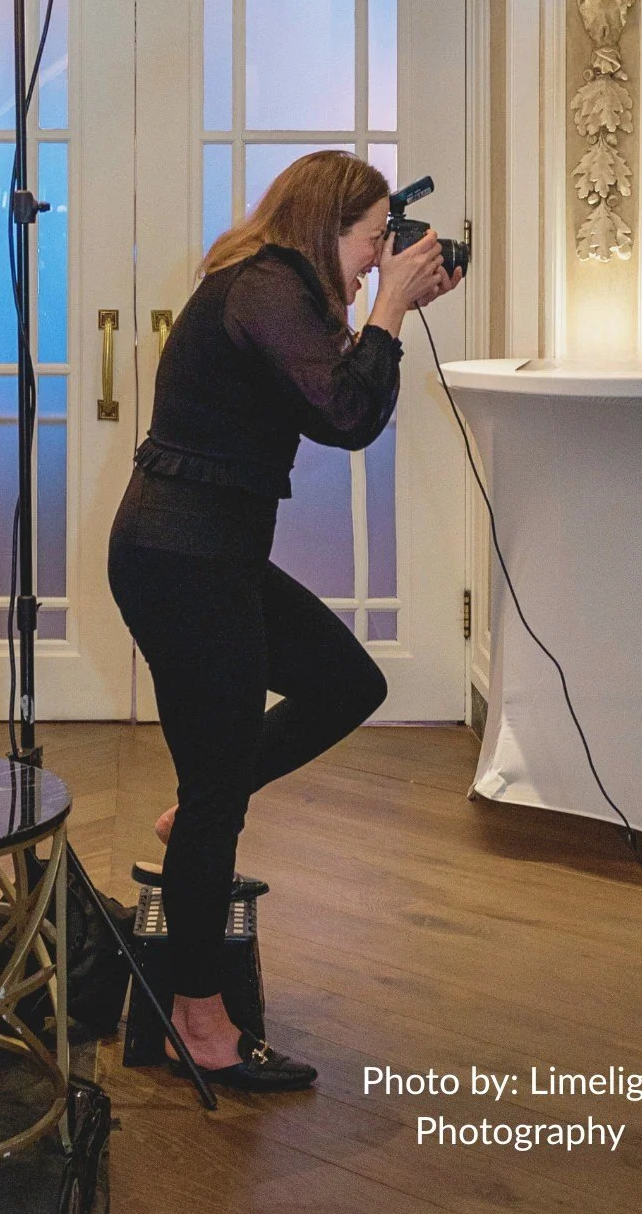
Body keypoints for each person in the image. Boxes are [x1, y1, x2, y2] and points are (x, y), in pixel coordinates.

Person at [107, 150, 462, 1092]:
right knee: (219, 798)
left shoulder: (284, 292)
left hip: (210, 555)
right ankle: (200, 1019)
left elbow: (345, 403)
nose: (379, 256)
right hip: (180, 560)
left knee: (349, 684)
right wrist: (387, 312)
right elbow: (345, 416)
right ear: (327, 225)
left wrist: (392, 313)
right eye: (373, 238)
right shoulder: (264, 286)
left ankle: (203, 803)